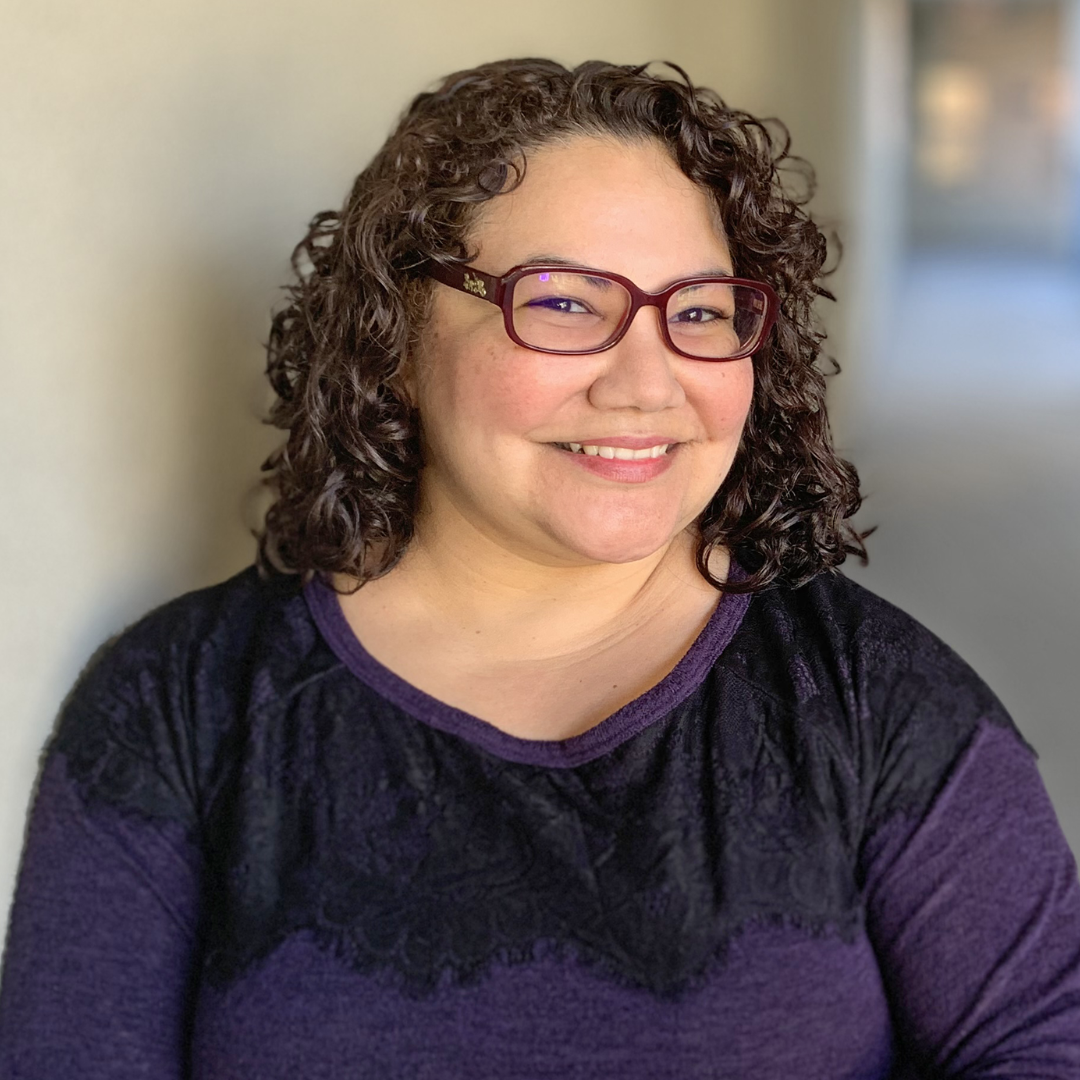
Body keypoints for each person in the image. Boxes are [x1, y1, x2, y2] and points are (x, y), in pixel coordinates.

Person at [1, 57, 1078, 1080]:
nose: (647, 383)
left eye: (699, 311)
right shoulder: (174, 708)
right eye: (564, 301)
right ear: (397, 337)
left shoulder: (871, 700)